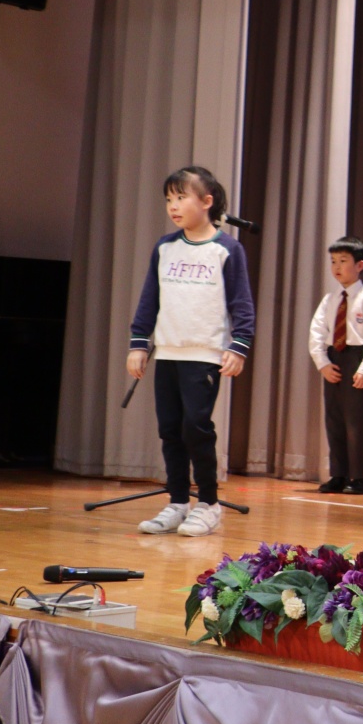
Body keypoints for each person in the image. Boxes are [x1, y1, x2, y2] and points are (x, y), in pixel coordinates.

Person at [128, 166, 256, 537]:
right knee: (170, 429)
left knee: (195, 427)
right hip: (168, 352)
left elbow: (242, 304)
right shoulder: (164, 247)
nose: (173, 205)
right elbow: (149, 299)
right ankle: (178, 502)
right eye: (169, 199)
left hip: (204, 355)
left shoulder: (227, 249)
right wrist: (139, 344)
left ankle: (210, 505)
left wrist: (239, 347)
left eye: (181, 197)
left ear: (207, 202)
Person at [309, 235, 363, 496]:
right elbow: (316, 333)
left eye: (343, 261)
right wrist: (323, 363)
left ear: (360, 265)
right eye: (333, 261)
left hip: (357, 358)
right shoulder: (330, 299)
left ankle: (361, 478)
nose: (337, 267)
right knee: (334, 421)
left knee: (357, 424)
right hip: (335, 360)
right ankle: (338, 475)